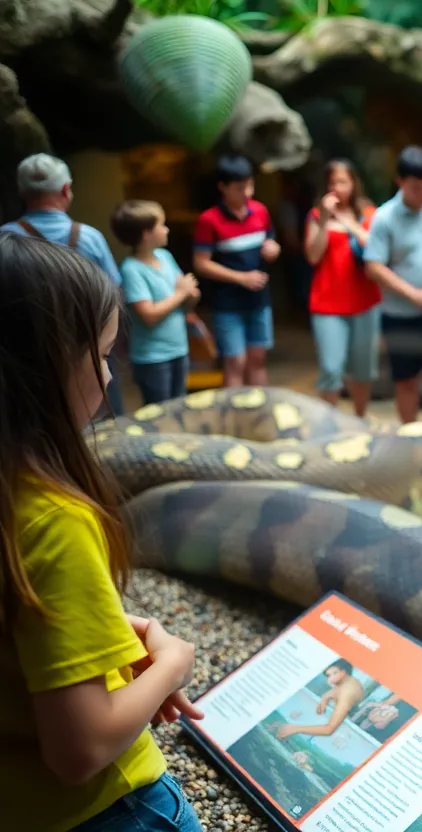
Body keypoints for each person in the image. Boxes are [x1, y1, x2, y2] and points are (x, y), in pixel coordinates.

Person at [0, 232, 204, 831]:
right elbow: (81, 749)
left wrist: (106, 630)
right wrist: (172, 661)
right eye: (104, 354)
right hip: (111, 811)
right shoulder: (54, 519)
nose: (112, 377)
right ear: (49, 365)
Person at [1, 152, 126, 415]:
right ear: (66, 189)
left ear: (22, 193)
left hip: (25, 350)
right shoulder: (89, 238)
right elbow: (114, 290)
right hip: (85, 343)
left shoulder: (5, 238)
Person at [363, 146, 422, 423]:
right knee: (405, 381)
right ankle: (410, 439)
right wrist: (414, 295)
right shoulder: (385, 217)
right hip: (399, 314)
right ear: (400, 182)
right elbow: (373, 266)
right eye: (416, 187)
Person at [192, 154, 281, 388]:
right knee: (235, 362)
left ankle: (259, 413)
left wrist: (273, 249)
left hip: (259, 300)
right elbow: (201, 263)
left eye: (250, 185)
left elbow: (270, 242)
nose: (247, 193)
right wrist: (241, 278)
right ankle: (233, 419)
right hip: (227, 304)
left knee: (258, 359)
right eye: (240, 188)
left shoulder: (260, 211)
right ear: (222, 187)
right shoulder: (209, 220)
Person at [304, 158, 381, 417]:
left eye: (343, 182)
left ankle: (359, 418)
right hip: (327, 303)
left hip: (365, 301)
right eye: (332, 182)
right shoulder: (316, 216)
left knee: (364, 368)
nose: (337, 187)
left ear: (353, 183)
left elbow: (376, 248)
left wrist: (349, 224)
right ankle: (328, 423)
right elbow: (313, 256)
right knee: (331, 368)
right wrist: (325, 219)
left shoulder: (369, 213)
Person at [110, 199, 200, 406]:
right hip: (153, 359)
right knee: (159, 413)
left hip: (179, 349)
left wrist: (191, 295)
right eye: (161, 224)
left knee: (179, 409)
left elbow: (185, 299)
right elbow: (148, 315)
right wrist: (181, 293)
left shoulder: (165, 256)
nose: (167, 229)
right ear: (145, 234)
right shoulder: (131, 269)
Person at [276, 660, 366, 740]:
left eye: (332, 675)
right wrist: (324, 698)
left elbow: (329, 730)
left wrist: (296, 728)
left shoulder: (346, 694)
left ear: (343, 673)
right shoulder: (349, 681)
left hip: (343, 727)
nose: (329, 679)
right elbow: (336, 689)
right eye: (328, 675)